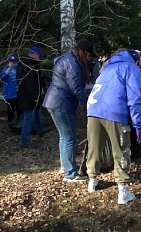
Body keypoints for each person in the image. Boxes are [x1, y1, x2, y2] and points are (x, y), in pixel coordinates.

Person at [85, 49, 141, 204]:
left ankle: (92, 180)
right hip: (114, 111)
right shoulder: (132, 68)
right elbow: (134, 98)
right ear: (136, 60)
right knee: (121, 149)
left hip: (93, 108)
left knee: (94, 147)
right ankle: (123, 190)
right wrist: (138, 125)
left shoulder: (107, 67)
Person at [43, 39, 95, 182]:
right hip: (61, 103)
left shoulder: (68, 59)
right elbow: (76, 88)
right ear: (82, 52)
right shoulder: (72, 63)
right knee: (69, 137)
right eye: (89, 55)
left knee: (64, 137)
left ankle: (65, 166)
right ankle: (71, 173)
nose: (89, 58)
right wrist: (90, 102)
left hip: (55, 102)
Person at [16, 45, 50, 148]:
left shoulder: (27, 64)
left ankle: (40, 130)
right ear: (34, 55)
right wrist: (35, 97)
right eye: (39, 56)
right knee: (29, 117)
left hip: (28, 96)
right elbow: (30, 83)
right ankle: (24, 140)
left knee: (36, 113)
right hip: (29, 97)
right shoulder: (29, 66)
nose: (40, 58)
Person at [0, 54, 22, 126]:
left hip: (18, 93)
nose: (13, 63)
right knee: (10, 110)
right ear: (9, 61)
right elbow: (2, 78)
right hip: (9, 94)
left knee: (19, 110)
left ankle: (20, 123)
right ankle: (11, 124)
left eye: (14, 62)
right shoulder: (5, 69)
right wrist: (9, 68)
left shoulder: (18, 69)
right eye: (11, 62)